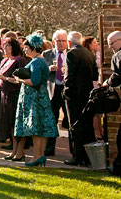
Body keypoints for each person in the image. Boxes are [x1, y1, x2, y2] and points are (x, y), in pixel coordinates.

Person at [14, 33, 59, 167]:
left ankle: (36, 156)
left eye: (26, 47)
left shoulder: (37, 62)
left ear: (33, 48)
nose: (24, 50)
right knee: (41, 128)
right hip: (40, 97)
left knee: (36, 128)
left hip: (36, 98)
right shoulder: (40, 61)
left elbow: (35, 81)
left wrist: (20, 79)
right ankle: (39, 155)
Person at [63, 31, 99, 166]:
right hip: (87, 93)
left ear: (69, 42)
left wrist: (66, 92)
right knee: (87, 125)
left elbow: (69, 76)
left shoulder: (72, 54)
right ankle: (88, 156)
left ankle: (77, 156)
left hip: (75, 95)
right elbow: (95, 75)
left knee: (75, 126)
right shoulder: (89, 53)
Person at [0, 38, 28, 159]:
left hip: (15, 96)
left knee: (17, 124)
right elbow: (1, 77)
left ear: (14, 47)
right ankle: (14, 151)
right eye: (4, 45)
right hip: (5, 96)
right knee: (10, 124)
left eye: (8, 46)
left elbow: (21, 80)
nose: (5, 48)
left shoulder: (20, 61)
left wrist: (6, 79)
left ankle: (20, 152)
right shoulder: (4, 60)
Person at [43, 29, 69, 156]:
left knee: (69, 120)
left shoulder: (71, 54)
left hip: (67, 89)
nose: (61, 43)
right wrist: (49, 69)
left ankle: (73, 150)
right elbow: (41, 72)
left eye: (63, 41)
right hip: (53, 89)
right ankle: (49, 149)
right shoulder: (47, 54)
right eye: (58, 41)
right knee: (51, 120)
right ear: (54, 41)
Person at [101, 30, 121, 175]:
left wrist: (106, 83)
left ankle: (118, 167)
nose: (110, 47)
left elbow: (117, 76)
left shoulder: (118, 56)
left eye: (111, 44)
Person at [83, 36, 105, 140]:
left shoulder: (96, 53)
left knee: (99, 111)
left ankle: (101, 130)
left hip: (98, 82)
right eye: (94, 43)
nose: (97, 45)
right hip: (93, 83)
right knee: (95, 109)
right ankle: (97, 132)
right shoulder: (89, 55)